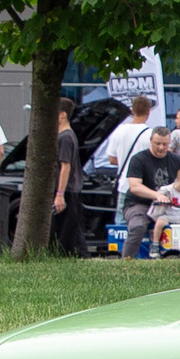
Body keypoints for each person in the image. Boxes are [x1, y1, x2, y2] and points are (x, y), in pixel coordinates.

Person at [119, 125, 180, 259]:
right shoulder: (139, 159)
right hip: (139, 203)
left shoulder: (176, 160)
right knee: (137, 226)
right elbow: (135, 186)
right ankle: (127, 260)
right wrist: (156, 195)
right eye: (157, 143)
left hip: (168, 206)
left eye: (165, 144)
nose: (161, 147)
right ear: (151, 141)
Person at [50, 99, 87, 257]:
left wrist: (60, 194)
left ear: (63, 114)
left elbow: (65, 166)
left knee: (67, 230)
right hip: (70, 189)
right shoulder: (67, 135)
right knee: (71, 229)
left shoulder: (65, 138)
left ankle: (78, 255)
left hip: (67, 189)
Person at [89, 94, 156, 176]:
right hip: (143, 180)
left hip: (123, 181)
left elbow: (112, 159)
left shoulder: (118, 131)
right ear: (148, 112)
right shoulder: (152, 134)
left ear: (132, 111)